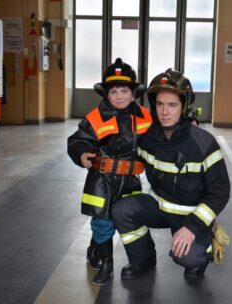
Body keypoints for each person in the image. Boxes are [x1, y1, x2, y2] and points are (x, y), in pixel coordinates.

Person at [111, 68, 231, 279]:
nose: (164, 112)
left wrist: (191, 228)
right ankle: (143, 260)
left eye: (172, 105)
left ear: (184, 107)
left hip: (191, 216)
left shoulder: (203, 143)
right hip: (160, 206)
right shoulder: (147, 138)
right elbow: (122, 154)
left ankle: (203, 252)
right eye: (160, 104)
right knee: (122, 209)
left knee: (189, 258)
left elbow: (220, 192)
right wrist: (85, 150)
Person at [67, 58, 152, 285]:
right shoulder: (95, 117)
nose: (120, 96)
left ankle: (98, 248)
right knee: (102, 223)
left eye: (125, 90)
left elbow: (161, 136)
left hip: (129, 180)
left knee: (126, 219)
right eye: (114, 91)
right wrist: (82, 152)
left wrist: (186, 125)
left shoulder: (145, 116)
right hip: (100, 181)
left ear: (134, 93)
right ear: (106, 93)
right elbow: (77, 140)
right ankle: (107, 263)